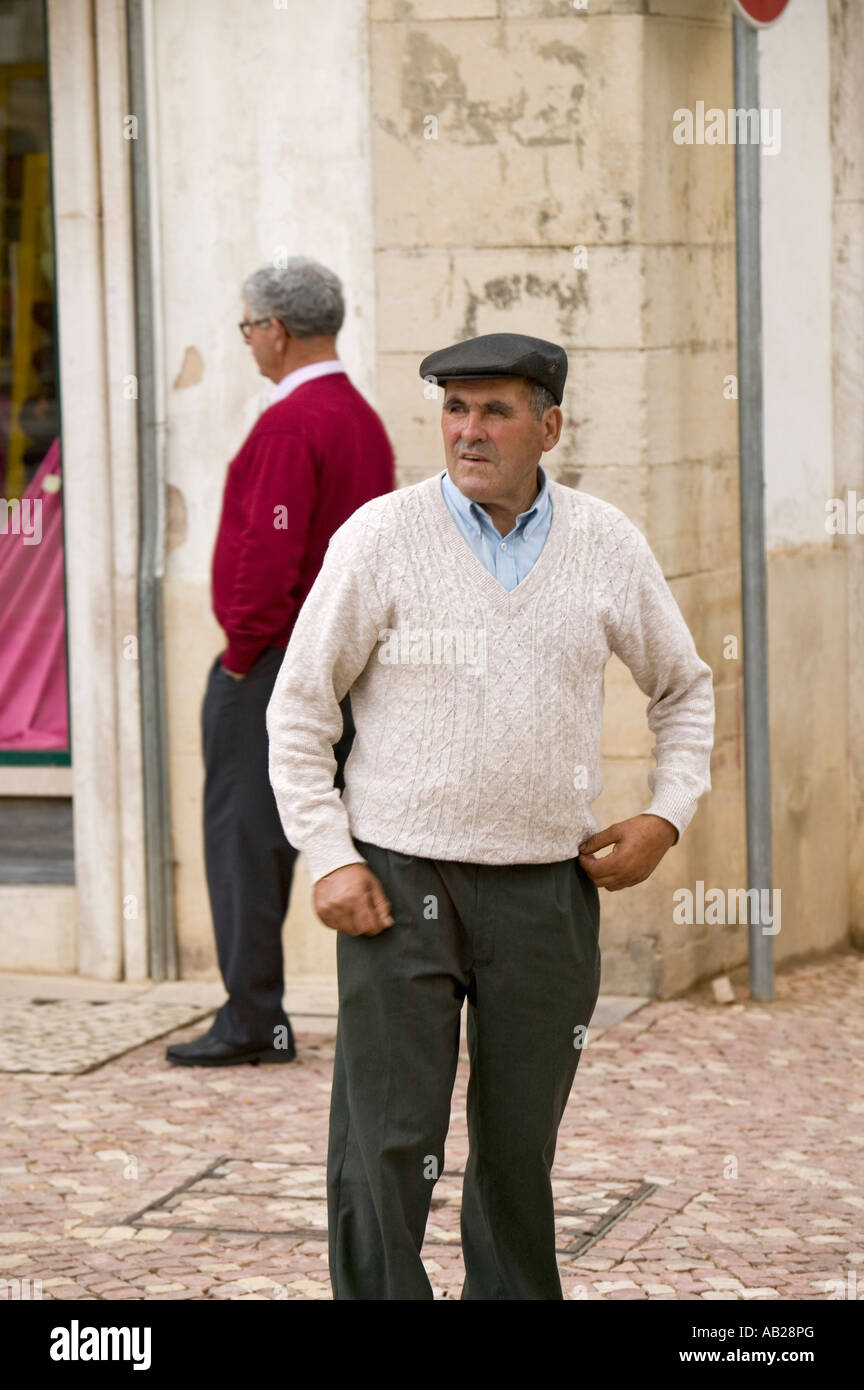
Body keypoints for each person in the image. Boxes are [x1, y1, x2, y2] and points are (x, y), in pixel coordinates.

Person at [265, 331, 715, 1298]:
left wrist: (667, 814)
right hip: (399, 882)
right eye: (454, 409)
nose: (468, 431)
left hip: (548, 894)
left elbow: (683, 687)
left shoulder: (606, 543)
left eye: (496, 411)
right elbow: (300, 708)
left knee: (519, 1147)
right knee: (387, 1141)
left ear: (548, 426)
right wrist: (329, 855)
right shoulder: (379, 538)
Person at [167, 257, 394, 1068]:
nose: (248, 343)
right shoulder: (360, 417)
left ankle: (252, 1016)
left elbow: (267, 557)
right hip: (341, 665)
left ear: (276, 330)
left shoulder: (292, 423)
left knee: (244, 841)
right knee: (325, 833)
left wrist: (239, 654)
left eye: (247, 328)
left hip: (272, 665)